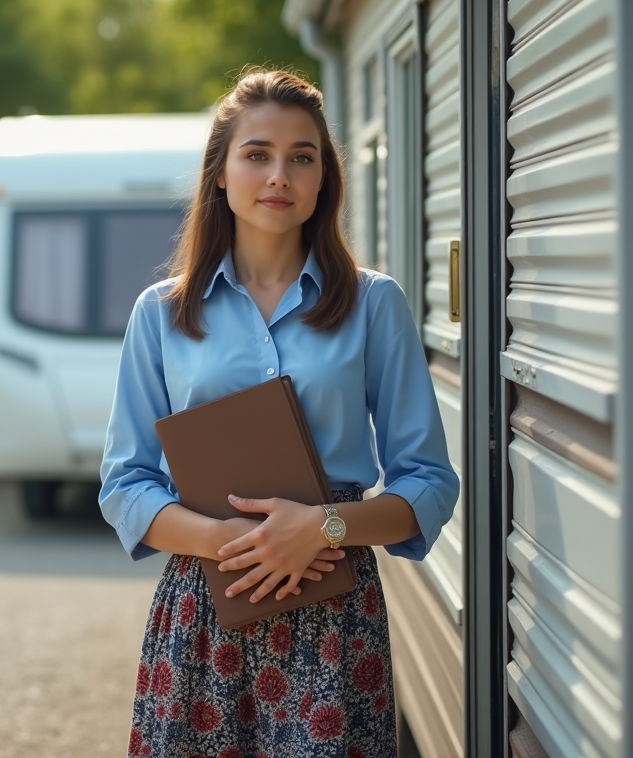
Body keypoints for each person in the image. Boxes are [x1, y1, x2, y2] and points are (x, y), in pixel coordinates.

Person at [98, 67, 459, 758]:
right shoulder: (162, 315)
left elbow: (429, 481)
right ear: (221, 174)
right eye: (257, 154)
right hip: (205, 612)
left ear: (324, 179)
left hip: (336, 620)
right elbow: (126, 484)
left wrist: (321, 528)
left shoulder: (373, 303)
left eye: (302, 157)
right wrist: (235, 543)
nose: (280, 175)